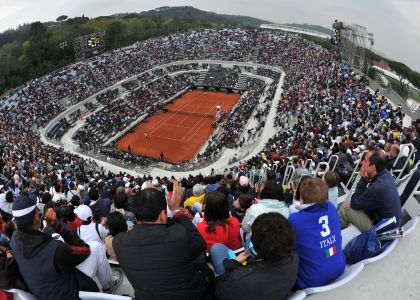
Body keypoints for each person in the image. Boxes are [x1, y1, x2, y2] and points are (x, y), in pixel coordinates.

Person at [113, 181, 212, 300]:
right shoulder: (179, 234)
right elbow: (200, 245)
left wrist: (148, 198)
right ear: (163, 215)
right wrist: (176, 211)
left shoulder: (118, 242)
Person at [10, 193, 97, 300]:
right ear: (36, 217)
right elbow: (85, 250)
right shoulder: (57, 250)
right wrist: (57, 225)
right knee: (96, 247)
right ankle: (107, 287)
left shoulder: (14, 239)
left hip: (43, 292)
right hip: (68, 293)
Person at [210, 213, 298, 300]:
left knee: (216, 248)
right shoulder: (294, 257)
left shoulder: (239, 280)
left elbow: (219, 292)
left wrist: (234, 263)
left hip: (237, 285)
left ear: (256, 248)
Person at [288, 178, 345, 289]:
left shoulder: (294, 220)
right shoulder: (332, 208)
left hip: (311, 281)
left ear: (302, 199)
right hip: (339, 266)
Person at [339, 149, 401, 232]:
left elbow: (354, 202)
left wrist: (363, 179)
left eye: (365, 161)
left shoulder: (377, 187)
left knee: (346, 209)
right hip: (389, 224)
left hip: (381, 233)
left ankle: (333, 234)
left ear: (373, 167)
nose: (362, 163)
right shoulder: (386, 174)